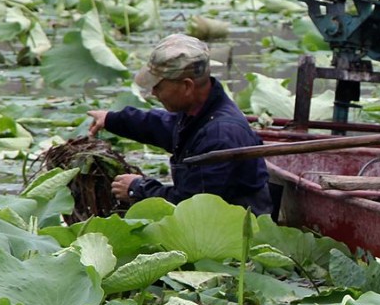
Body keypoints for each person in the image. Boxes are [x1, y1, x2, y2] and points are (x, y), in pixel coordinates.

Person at [87, 33, 273, 214]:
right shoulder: (198, 114)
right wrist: (111, 119)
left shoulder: (220, 135)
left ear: (187, 86)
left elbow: (191, 205)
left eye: (158, 86)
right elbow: (162, 125)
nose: (153, 93)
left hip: (237, 234)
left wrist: (138, 188)